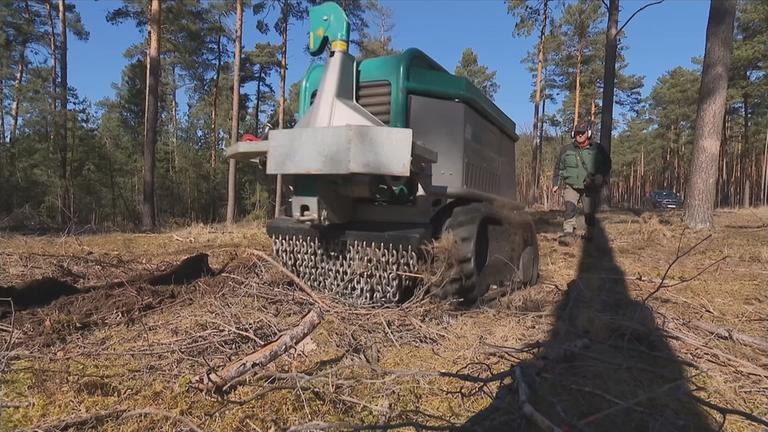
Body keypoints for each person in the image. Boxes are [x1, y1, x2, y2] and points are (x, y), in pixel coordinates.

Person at [551, 121, 611, 246]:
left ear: (588, 133)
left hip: (589, 187)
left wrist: (601, 176)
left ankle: (589, 233)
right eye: (577, 133)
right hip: (571, 185)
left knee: (589, 212)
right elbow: (559, 168)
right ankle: (568, 233)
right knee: (569, 208)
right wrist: (556, 183)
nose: (579, 135)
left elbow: (607, 164)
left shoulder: (598, 149)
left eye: (582, 133)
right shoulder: (566, 150)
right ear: (574, 134)